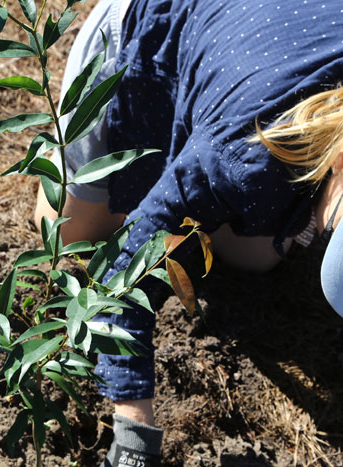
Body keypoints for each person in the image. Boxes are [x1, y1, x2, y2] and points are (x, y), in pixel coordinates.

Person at [34, 0, 343, 465]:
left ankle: (177, 192)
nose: (328, 233)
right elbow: (123, 283)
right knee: (71, 234)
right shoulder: (244, 159)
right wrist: (134, 437)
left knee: (258, 256)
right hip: (145, 33)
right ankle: (147, 185)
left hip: (254, 53)